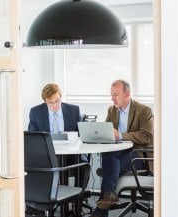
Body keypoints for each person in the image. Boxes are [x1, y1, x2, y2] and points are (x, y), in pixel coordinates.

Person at [90, 79, 154, 217]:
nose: (112, 98)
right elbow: (106, 131)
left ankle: (102, 210)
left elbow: (146, 136)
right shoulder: (112, 110)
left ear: (127, 94)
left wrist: (120, 135)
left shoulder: (144, 110)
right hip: (117, 154)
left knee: (110, 165)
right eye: (111, 94)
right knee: (109, 156)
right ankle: (107, 202)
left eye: (116, 94)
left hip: (137, 155)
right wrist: (97, 135)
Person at [28, 83, 88, 184]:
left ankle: (78, 195)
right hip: (47, 153)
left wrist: (71, 135)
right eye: (50, 103)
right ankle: (51, 195)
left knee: (83, 163)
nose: (55, 106)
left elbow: (82, 132)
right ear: (45, 102)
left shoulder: (73, 110)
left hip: (70, 152)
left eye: (57, 101)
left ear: (60, 97)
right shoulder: (36, 112)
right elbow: (32, 137)